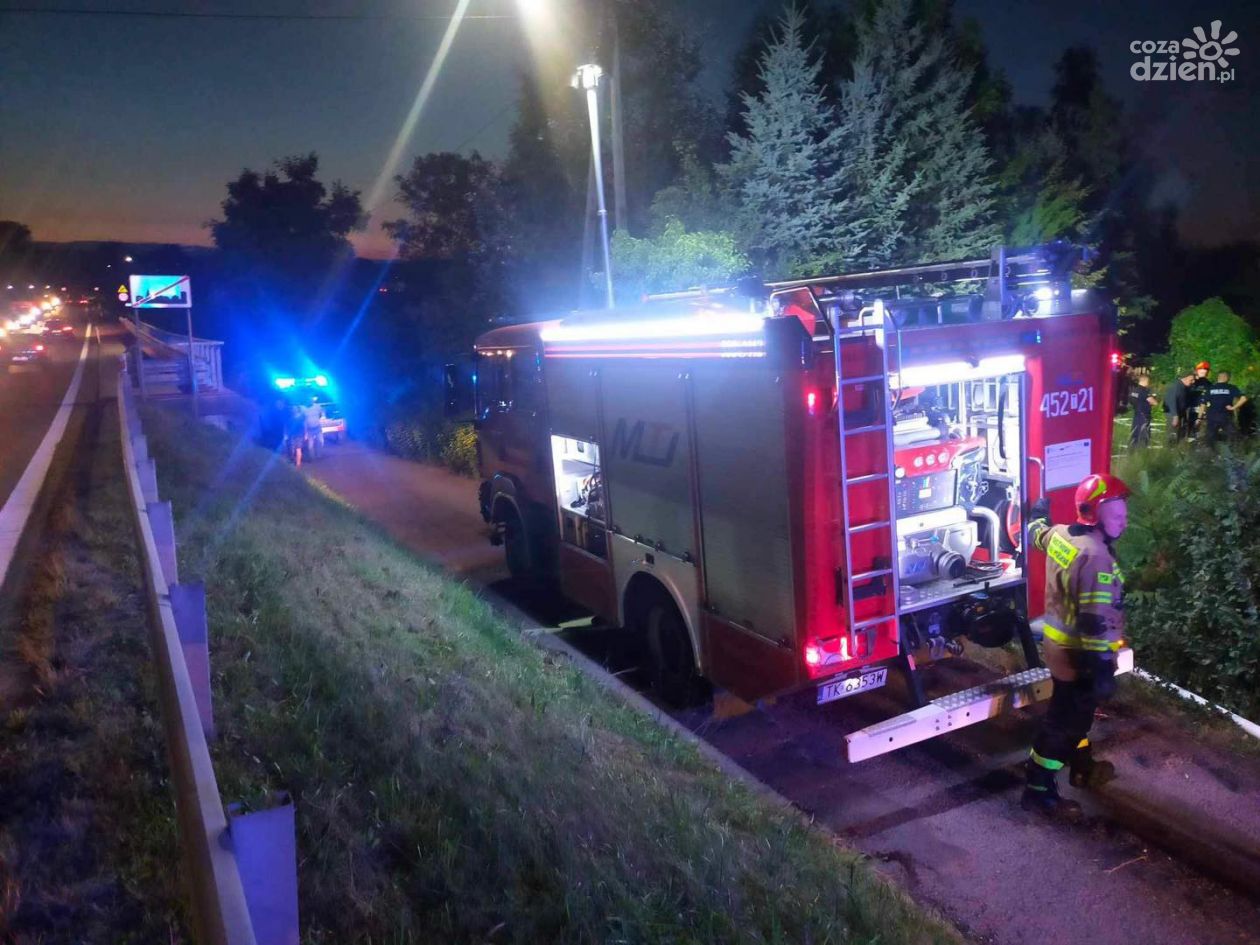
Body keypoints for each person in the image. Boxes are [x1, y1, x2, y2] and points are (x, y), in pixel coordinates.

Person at [1023, 473, 1130, 821]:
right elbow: (1094, 620)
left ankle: (1082, 766)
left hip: (1057, 647)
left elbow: (1036, 534)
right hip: (1079, 655)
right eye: (1117, 514)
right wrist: (1101, 666)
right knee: (1065, 722)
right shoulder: (1096, 557)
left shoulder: (1062, 535)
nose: (1124, 521)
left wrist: (1037, 516)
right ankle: (1038, 789)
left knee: (1073, 713)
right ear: (1095, 515)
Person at [1203, 370, 1247, 445]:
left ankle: (1211, 451)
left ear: (1218, 377)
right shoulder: (1231, 388)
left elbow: (1203, 403)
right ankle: (1234, 450)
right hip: (1225, 416)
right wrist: (1233, 407)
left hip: (1212, 416)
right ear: (1226, 377)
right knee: (1234, 438)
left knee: (1210, 438)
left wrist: (1200, 417)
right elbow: (1244, 398)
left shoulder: (1210, 388)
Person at [1127, 375, 1157, 448]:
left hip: (1136, 414)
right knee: (1144, 435)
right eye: (1148, 381)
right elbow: (1154, 403)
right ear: (1145, 381)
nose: (1148, 383)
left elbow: (1131, 401)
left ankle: (1132, 448)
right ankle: (1142, 450)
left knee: (1135, 433)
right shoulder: (1144, 392)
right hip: (1145, 416)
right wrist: (1153, 399)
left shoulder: (1133, 391)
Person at [1162, 373, 1192, 442]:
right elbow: (1171, 401)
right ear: (1185, 378)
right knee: (1173, 434)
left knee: (1179, 433)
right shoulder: (1175, 386)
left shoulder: (1184, 387)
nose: (1192, 382)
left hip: (1179, 413)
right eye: (1191, 380)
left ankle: (1177, 446)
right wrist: (1175, 416)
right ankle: (1170, 447)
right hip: (1172, 413)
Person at [1186, 361, 1213, 439]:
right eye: (1202, 370)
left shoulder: (1192, 383)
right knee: (1196, 434)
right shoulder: (1209, 385)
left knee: (1193, 433)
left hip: (1197, 411)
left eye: (1204, 370)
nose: (1203, 372)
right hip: (1195, 411)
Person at [303, 395, 326, 461]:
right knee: (310, 445)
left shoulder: (317, 406)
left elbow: (322, 411)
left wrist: (323, 416)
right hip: (309, 429)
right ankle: (312, 457)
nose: (310, 401)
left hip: (318, 428)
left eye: (311, 400)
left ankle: (319, 455)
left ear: (312, 401)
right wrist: (305, 431)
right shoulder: (304, 408)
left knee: (320, 441)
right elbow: (304, 420)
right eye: (308, 400)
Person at [287, 403, 307, 467]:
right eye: (293, 409)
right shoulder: (291, 417)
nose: (294, 410)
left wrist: (306, 434)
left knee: (298, 449)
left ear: (298, 409)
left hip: (299, 435)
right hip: (292, 435)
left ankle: (298, 463)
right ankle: (293, 460)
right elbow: (289, 426)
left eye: (295, 408)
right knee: (292, 449)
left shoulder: (302, 417)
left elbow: (305, 425)